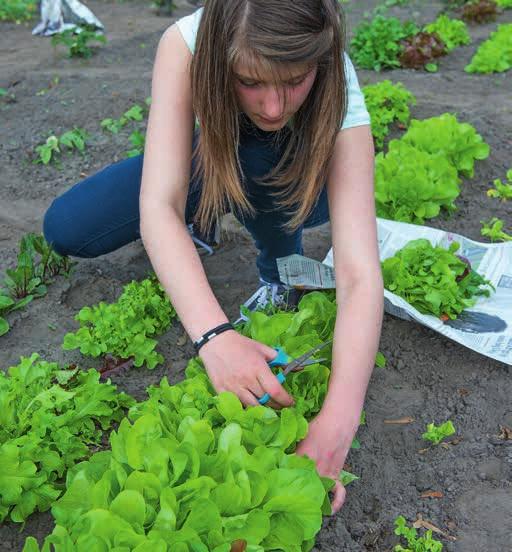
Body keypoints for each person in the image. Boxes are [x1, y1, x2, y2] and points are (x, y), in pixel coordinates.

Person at [43, 0, 384, 514]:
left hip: (296, 175)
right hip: (214, 149)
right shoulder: (185, 43)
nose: (274, 105)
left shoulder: (336, 76)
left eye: (294, 80)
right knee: (67, 227)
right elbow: (157, 203)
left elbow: (359, 273)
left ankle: (278, 270)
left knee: (263, 150)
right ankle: (200, 217)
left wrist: (339, 419)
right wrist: (215, 335)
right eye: (251, 81)